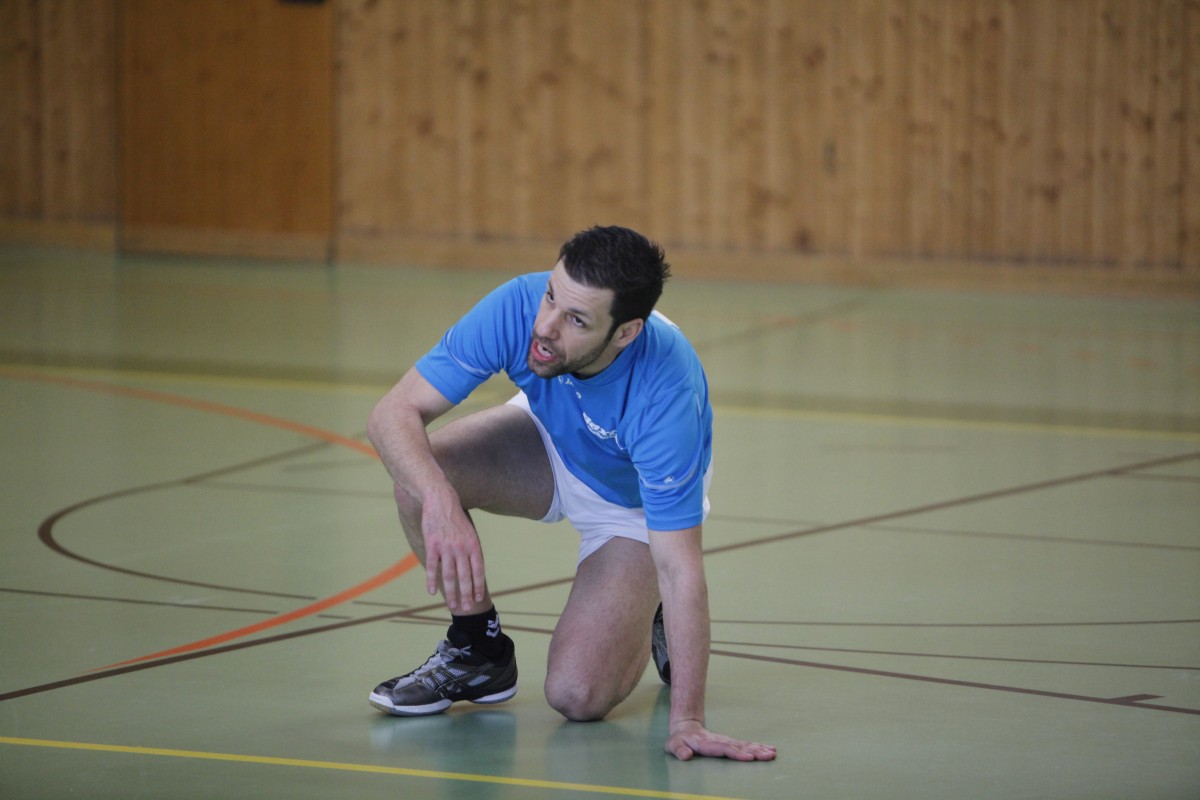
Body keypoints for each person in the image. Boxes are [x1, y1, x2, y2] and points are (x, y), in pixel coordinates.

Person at [365, 225, 776, 762]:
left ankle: (644, 605)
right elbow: (392, 413)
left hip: (631, 507)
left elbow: (681, 568)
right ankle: (478, 649)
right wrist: (439, 499)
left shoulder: (666, 394)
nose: (545, 326)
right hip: (549, 437)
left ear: (625, 333)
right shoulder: (519, 305)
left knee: (576, 696)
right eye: (551, 296)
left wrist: (688, 722)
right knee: (421, 479)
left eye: (577, 320)